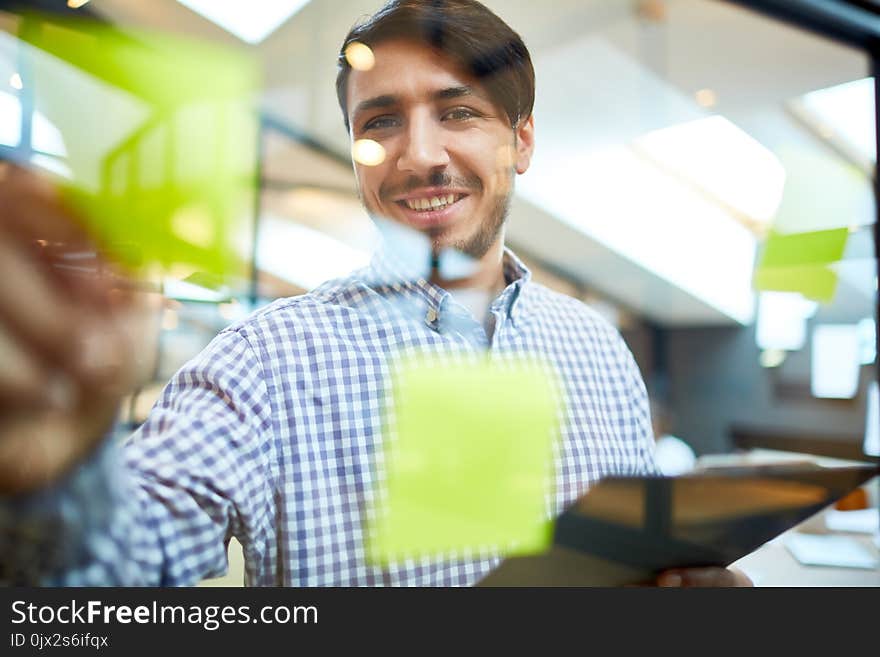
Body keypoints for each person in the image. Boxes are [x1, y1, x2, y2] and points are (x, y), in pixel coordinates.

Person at [0, 0, 750, 587]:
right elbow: (114, 568)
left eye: (458, 111)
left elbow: (644, 565)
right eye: (381, 121)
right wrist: (55, 474)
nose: (419, 156)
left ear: (520, 140)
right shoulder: (263, 360)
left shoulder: (598, 348)